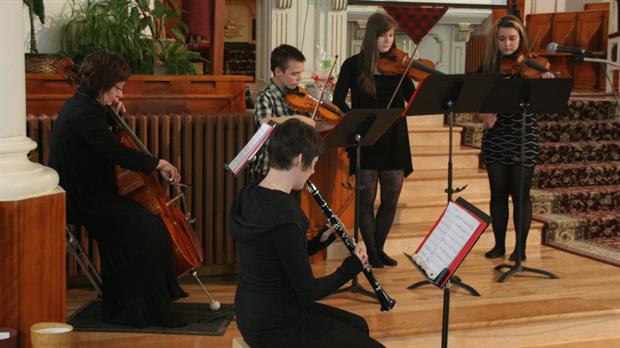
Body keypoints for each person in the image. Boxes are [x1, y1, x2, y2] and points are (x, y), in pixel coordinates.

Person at [49, 51, 188, 327]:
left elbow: (106, 145)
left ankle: (129, 307)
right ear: (101, 84)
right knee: (150, 230)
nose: (119, 96)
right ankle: (147, 310)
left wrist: (110, 114)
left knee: (143, 228)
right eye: (117, 89)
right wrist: (157, 163)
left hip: (94, 194)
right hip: (83, 199)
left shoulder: (87, 106)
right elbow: (115, 152)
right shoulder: (84, 114)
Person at [229, 119, 384, 348]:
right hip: (278, 326)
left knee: (358, 324)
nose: (312, 171)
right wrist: (351, 267)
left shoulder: (248, 194)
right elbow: (310, 291)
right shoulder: (287, 216)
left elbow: (277, 254)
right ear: (299, 159)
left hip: (252, 311)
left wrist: (320, 240)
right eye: (313, 164)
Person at [332, 12, 415, 268]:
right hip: (365, 136)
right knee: (366, 199)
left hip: (395, 137)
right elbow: (337, 98)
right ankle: (370, 250)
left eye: (391, 35)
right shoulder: (353, 64)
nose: (388, 40)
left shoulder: (398, 66)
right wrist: (353, 120)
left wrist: (409, 70)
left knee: (391, 197)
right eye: (382, 35)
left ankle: (379, 248)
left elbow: (412, 98)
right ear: (371, 36)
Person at [477, 15, 554, 261]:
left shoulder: (533, 66)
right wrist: (483, 113)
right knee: (497, 193)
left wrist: (547, 84)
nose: (507, 45)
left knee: (521, 194)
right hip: (496, 136)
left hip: (524, 134)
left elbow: (544, 102)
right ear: (495, 41)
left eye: (512, 39)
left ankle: (520, 249)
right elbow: (472, 97)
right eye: (502, 39)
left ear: (521, 38)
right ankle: (499, 245)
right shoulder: (488, 67)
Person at [251, 44, 316, 180]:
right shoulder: (265, 97)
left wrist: (333, 123)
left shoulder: (298, 97)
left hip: (294, 169)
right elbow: (265, 122)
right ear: (278, 72)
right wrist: (297, 118)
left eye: (301, 73)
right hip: (269, 168)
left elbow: (310, 123)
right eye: (294, 74)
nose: (299, 79)